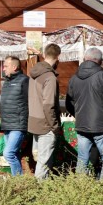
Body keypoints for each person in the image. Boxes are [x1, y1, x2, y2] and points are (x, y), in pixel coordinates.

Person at [66, 48, 103, 179]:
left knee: (82, 159)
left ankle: (80, 189)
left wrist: (79, 115)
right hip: (101, 126)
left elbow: (69, 104)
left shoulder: (74, 78)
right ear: (100, 61)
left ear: (85, 59)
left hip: (82, 125)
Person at [28, 43, 62, 180]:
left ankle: (43, 193)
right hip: (46, 125)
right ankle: (38, 196)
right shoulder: (50, 77)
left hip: (34, 123)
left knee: (42, 162)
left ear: (43, 55)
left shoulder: (34, 73)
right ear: (58, 57)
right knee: (43, 163)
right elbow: (49, 105)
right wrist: (55, 127)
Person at [0, 56, 29, 176]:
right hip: (7, 124)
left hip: (18, 124)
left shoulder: (25, 81)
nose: (3, 69)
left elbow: (31, 101)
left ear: (15, 67)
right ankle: (19, 185)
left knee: (8, 153)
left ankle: (18, 182)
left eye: (6, 66)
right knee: (15, 154)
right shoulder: (7, 82)